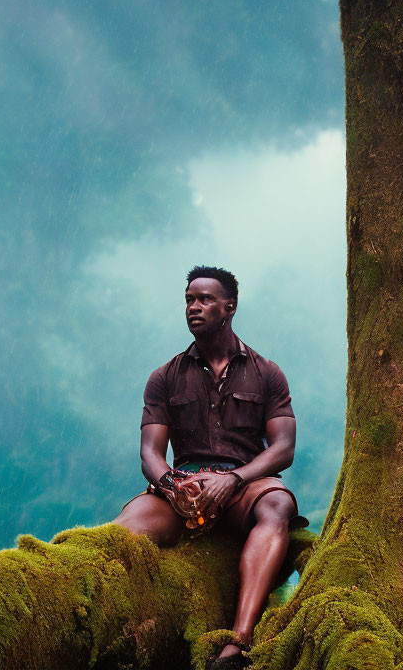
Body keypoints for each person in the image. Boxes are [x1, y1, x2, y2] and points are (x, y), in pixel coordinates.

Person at [113, 265, 306, 670]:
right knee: (121, 533)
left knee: (278, 507)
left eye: (204, 300)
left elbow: (284, 447)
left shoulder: (267, 373)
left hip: (245, 485)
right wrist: (171, 485)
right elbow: (150, 453)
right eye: (188, 300)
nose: (193, 308)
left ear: (229, 307)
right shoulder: (164, 377)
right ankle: (113, 632)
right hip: (182, 488)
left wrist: (234, 479)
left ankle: (238, 642)